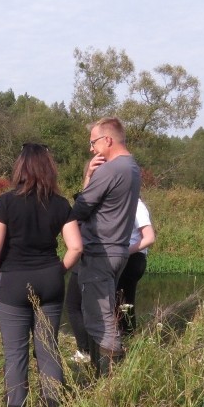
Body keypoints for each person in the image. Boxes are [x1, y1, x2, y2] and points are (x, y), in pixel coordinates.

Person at [0, 143, 82, 407]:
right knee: (48, 350)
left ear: (20, 168)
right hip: (50, 281)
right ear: (48, 169)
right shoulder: (61, 203)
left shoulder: (5, 202)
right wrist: (58, 271)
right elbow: (76, 247)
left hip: (13, 283)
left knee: (16, 354)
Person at [69, 117, 141, 376]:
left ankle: (111, 383)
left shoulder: (110, 170)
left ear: (108, 140)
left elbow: (80, 208)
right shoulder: (132, 166)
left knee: (100, 322)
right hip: (118, 249)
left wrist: (89, 175)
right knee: (104, 315)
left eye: (93, 142)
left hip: (100, 252)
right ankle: (105, 375)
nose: (91, 149)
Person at [116, 197, 156, 336]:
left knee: (123, 302)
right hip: (127, 257)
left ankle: (126, 338)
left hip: (133, 258)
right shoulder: (126, 203)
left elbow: (149, 238)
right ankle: (124, 338)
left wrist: (125, 252)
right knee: (122, 302)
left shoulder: (137, 206)